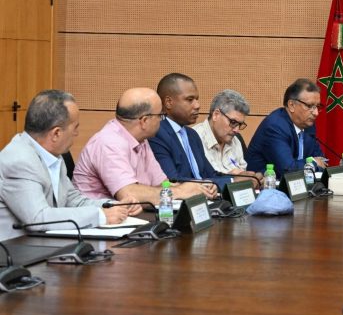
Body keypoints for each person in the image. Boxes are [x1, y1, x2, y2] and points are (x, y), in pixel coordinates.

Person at [0, 90, 135, 241]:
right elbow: (38, 218)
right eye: (75, 127)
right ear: (56, 133)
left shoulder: (53, 155)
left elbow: (74, 201)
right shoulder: (19, 160)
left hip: (44, 244)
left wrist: (113, 206)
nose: (77, 133)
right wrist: (100, 216)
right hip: (16, 250)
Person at [73, 87, 214, 203]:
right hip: (99, 221)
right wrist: (179, 191)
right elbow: (129, 194)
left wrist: (198, 188)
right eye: (160, 116)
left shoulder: (142, 140)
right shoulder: (109, 143)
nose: (161, 121)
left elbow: (162, 184)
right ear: (144, 121)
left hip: (130, 217)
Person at [148, 73, 229, 192]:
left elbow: (211, 174)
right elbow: (172, 180)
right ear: (168, 102)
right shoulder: (157, 133)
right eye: (190, 100)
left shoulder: (192, 135)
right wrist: (207, 184)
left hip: (205, 198)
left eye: (197, 99)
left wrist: (237, 179)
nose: (197, 105)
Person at [245, 78, 327, 177]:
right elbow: (288, 170)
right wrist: (313, 163)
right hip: (265, 184)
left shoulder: (308, 125)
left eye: (317, 106)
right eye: (309, 106)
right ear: (291, 105)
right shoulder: (275, 127)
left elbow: (322, 161)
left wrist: (313, 164)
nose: (316, 113)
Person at [194, 89, 262, 186]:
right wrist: (232, 179)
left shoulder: (235, 141)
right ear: (216, 115)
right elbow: (196, 182)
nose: (236, 130)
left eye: (240, 124)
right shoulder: (194, 139)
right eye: (233, 122)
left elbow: (243, 177)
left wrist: (253, 179)